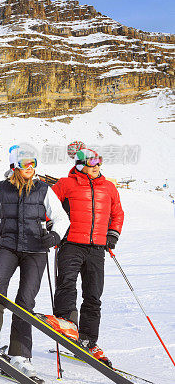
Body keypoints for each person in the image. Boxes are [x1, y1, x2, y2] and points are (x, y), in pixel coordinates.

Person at [0, 145, 69, 380]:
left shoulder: (44, 190)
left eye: (33, 163)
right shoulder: (1, 189)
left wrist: (56, 234)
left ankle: (20, 354)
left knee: (25, 300)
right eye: (24, 163)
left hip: (36, 250)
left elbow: (61, 217)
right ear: (14, 166)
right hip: (7, 246)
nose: (29, 168)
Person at [49, 146, 124, 365]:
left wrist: (112, 235)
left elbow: (117, 213)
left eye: (99, 161)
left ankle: (89, 341)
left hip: (96, 248)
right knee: (66, 284)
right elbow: (48, 208)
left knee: (93, 296)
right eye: (92, 162)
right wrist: (53, 230)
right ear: (81, 164)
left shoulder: (109, 187)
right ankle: (66, 323)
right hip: (70, 243)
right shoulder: (65, 184)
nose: (97, 166)